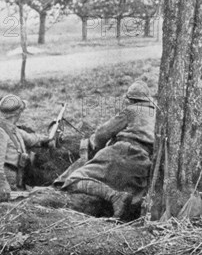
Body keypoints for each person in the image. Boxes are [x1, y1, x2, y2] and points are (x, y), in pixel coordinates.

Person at [55, 80, 156, 218]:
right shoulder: (158, 114)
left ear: (130, 100)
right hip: (143, 163)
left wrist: (93, 145)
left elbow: (103, 134)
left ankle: (114, 197)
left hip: (121, 153)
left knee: (73, 181)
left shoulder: (131, 111)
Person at [0, 94, 52, 203]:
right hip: (6, 189)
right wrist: (5, 196)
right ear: (17, 114)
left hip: (17, 184)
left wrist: (48, 139)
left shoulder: (12, 128)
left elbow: (31, 139)